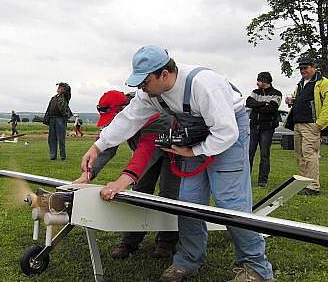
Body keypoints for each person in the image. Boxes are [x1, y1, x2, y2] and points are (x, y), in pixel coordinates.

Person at [81, 46, 273, 282]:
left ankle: (256, 268)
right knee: (189, 202)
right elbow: (128, 119)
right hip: (194, 135)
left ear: (164, 74)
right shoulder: (151, 93)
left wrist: (195, 151)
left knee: (230, 202)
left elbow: (226, 132)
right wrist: (97, 146)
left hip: (229, 132)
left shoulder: (203, 85)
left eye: (145, 81)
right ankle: (188, 260)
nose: (141, 88)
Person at [75, 90, 180, 259]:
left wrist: (122, 181)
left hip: (173, 151)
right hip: (144, 150)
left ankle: (166, 242)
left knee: (169, 194)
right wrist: (88, 174)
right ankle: (130, 241)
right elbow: (108, 144)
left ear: (124, 109)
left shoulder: (151, 111)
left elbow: (145, 152)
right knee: (139, 192)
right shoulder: (120, 115)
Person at [285, 57, 328, 195]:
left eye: (305, 68)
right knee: (300, 155)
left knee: (310, 154)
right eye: (301, 68)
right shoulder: (300, 84)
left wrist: (320, 124)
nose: (303, 71)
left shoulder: (323, 82)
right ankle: (304, 183)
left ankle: (313, 186)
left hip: (311, 124)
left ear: (313, 67)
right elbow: (300, 100)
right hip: (298, 123)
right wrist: (292, 100)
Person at [246, 72, 282, 187]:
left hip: (267, 128)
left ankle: (263, 180)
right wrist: (263, 104)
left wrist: (257, 106)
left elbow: (272, 108)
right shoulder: (255, 92)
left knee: (264, 154)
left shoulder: (277, 93)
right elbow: (248, 102)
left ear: (265, 81)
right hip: (254, 126)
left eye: (259, 80)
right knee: (249, 153)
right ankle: (246, 178)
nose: (257, 83)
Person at [43, 82, 72, 160]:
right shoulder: (53, 98)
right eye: (58, 87)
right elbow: (49, 108)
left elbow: (68, 90)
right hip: (52, 119)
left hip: (61, 119)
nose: (58, 88)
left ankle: (63, 156)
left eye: (60, 87)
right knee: (51, 139)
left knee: (61, 138)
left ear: (64, 89)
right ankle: (53, 156)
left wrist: (63, 84)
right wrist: (46, 118)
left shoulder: (65, 97)